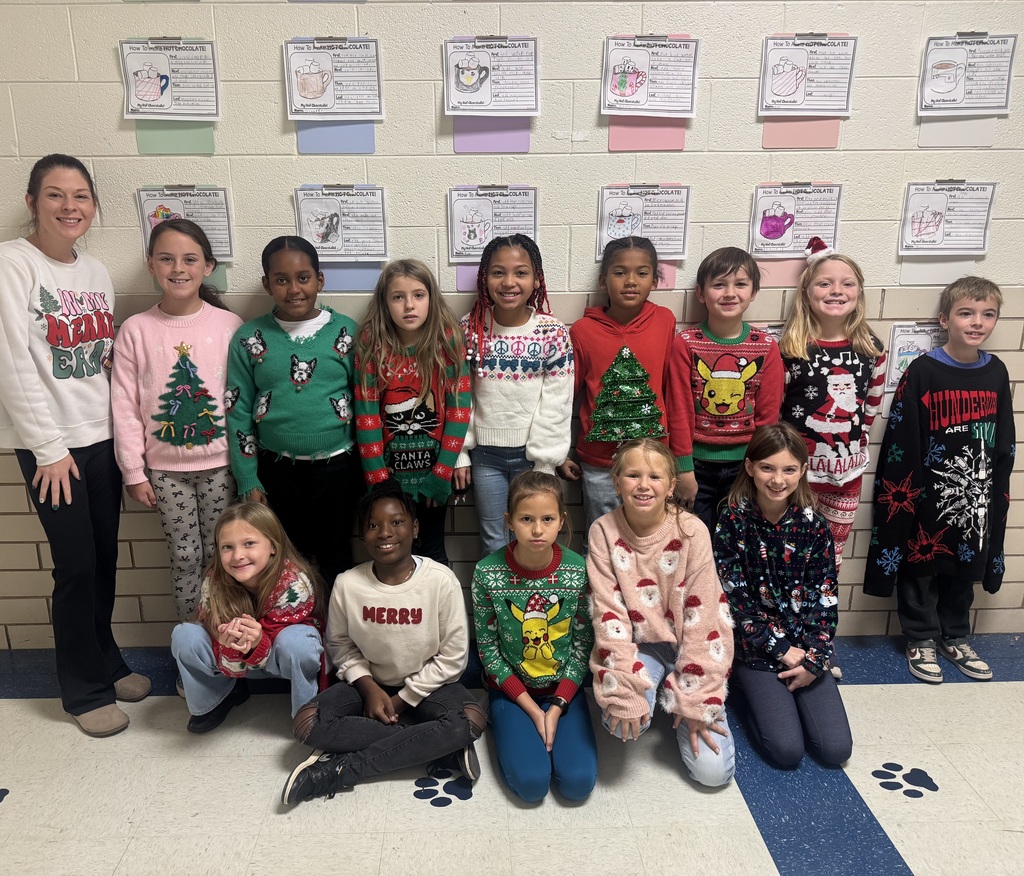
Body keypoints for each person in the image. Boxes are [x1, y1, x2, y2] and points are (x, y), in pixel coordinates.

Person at [0, 154, 149, 737]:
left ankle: (107, 663)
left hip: (100, 438)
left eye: (81, 195)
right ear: (32, 201)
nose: (70, 206)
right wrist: (47, 447)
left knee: (104, 560)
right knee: (77, 566)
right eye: (55, 195)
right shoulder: (13, 263)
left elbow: (100, 361)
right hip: (52, 449)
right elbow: (12, 363)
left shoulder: (95, 272)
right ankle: (83, 691)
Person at [282, 480, 486, 805]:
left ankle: (342, 770)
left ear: (415, 528)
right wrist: (369, 689)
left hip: (431, 687)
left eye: (397, 522)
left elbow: (454, 657)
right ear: (363, 535)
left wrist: (403, 700)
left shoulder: (440, 580)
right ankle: (437, 746)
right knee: (306, 723)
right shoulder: (348, 584)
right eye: (373, 525)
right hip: (371, 683)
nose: (385, 532)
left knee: (471, 719)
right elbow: (340, 646)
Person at [866, 277, 1014, 684]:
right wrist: (908, 494)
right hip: (929, 495)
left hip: (976, 496)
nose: (977, 322)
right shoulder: (923, 370)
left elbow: (1004, 437)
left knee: (964, 567)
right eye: (966, 313)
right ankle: (920, 638)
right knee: (921, 567)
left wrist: (995, 492)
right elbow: (902, 438)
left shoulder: (996, 372)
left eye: (987, 314)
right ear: (944, 319)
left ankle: (955, 635)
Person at [111, 218, 242, 625]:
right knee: (185, 557)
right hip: (166, 474)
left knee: (224, 556)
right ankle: (192, 644)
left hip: (223, 467)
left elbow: (242, 400)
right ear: (151, 264)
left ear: (208, 266)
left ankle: (227, 640)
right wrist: (134, 471)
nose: (178, 269)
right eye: (167, 259)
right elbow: (125, 406)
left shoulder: (229, 326)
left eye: (190, 259)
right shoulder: (136, 330)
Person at [588, 438, 735, 788]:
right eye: (633, 475)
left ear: (671, 486)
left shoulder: (692, 531)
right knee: (621, 723)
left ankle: (680, 696)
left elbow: (705, 620)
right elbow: (609, 616)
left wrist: (696, 702)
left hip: (691, 644)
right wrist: (625, 691)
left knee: (712, 775)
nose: (643, 485)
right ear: (616, 482)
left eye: (654, 477)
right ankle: (657, 694)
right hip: (643, 646)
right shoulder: (603, 531)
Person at [714, 423, 852, 769]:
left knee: (835, 750)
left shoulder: (815, 526)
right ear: (750, 467)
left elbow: (824, 600)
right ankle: (745, 691)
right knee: (786, 752)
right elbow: (736, 604)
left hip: (804, 647)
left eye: (789, 470)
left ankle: (791, 688)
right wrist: (781, 651)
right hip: (756, 648)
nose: (778, 480)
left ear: (802, 471)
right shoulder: (732, 521)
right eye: (768, 468)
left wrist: (814, 661)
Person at [778, 239, 886, 679]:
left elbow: (871, 407)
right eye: (824, 283)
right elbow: (775, 411)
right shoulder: (789, 346)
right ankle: (784, 640)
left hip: (845, 477)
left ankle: (819, 642)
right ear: (807, 291)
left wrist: (850, 449)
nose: (836, 291)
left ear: (859, 292)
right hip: (794, 481)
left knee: (828, 561)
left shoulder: (871, 348)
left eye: (847, 283)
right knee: (787, 558)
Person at [227, 236, 360, 588]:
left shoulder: (347, 332)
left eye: (303, 278)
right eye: (281, 280)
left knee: (336, 557)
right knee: (286, 562)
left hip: (338, 469)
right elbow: (238, 410)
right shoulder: (249, 337)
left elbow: (365, 402)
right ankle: (294, 622)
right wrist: (247, 477)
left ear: (320, 280)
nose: (294, 289)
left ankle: (336, 623)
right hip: (275, 471)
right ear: (267, 284)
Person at [472, 471, 596, 802]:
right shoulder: (486, 573)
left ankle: (557, 722)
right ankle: (502, 719)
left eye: (547, 519)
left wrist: (555, 707)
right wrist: (532, 709)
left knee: (578, 784)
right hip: (511, 690)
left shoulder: (578, 571)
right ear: (509, 521)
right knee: (531, 785)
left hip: (564, 689)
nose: (537, 529)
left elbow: (583, 646)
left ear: (561, 521)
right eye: (526, 519)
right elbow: (488, 651)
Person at [457, 234, 573, 556]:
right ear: (485, 278)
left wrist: (546, 462)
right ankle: (497, 592)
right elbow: (460, 396)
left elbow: (558, 401)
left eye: (521, 272)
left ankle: (533, 593)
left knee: (534, 539)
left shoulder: (552, 332)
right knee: (494, 538)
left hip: (532, 458)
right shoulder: (470, 328)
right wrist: (460, 452)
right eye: (498, 272)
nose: (509, 282)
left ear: (536, 279)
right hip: (485, 457)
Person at [354, 259, 471, 566]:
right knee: (392, 556)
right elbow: (366, 416)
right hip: (388, 476)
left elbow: (459, 410)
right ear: (385, 302)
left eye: (418, 295)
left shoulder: (448, 340)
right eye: (398, 297)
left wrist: (442, 472)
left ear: (431, 297)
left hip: (434, 476)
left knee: (432, 553)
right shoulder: (371, 343)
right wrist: (379, 482)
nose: (409, 305)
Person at [170, 502, 325, 732]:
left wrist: (256, 641)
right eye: (227, 547)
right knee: (184, 635)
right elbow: (212, 624)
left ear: (273, 547)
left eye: (249, 543)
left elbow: (279, 640)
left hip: (276, 659)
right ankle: (217, 697)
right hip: (232, 657)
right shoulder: (214, 581)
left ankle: (305, 711)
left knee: (299, 641)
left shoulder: (294, 583)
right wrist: (222, 639)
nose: (238, 556)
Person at [558, 236, 677, 532]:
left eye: (642, 273)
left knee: (650, 535)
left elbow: (671, 389)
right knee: (602, 535)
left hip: (653, 459)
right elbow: (565, 396)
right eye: (620, 272)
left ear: (654, 281)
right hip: (600, 462)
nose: (631, 281)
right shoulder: (583, 331)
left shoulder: (664, 321)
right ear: (603, 280)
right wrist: (558, 452)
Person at [666, 246, 784, 530]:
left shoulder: (766, 346)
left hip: (746, 467)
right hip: (696, 466)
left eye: (740, 284)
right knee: (694, 538)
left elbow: (768, 416)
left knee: (738, 538)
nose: (730, 293)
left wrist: (760, 466)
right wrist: (683, 469)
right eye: (719, 285)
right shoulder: (686, 343)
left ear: (754, 292)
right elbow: (679, 410)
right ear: (700, 293)